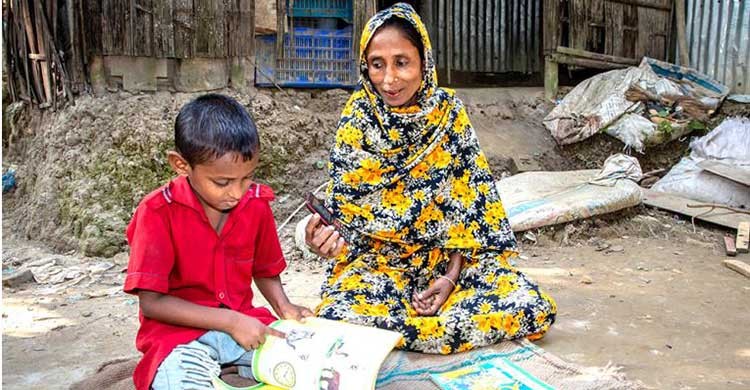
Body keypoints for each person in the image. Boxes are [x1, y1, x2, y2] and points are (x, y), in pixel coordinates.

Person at [305, 3, 556, 354]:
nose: (389, 80)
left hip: (446, 264)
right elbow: (345, 219)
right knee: (338, 313)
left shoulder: (449, 116)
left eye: (402, 62)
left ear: (424, 61)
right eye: (377, 64)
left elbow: (469, 212)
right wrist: (321, 240)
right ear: (366, 66)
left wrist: (450, 279)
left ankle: (397, 332)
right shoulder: (357, 120)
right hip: (378, 267)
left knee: (530, 308)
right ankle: (418, 330)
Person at [124, 94, 313, 390]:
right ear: (181, 165)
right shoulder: (156, 212)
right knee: (180, 380)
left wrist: (283, 306)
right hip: (179, 336)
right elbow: (152, 303)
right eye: (222, 182)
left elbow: (264, 270)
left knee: (314, 363)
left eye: (247, 178)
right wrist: (231, 322)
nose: (236, 193)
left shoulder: (256, 204)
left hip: (246, 327)